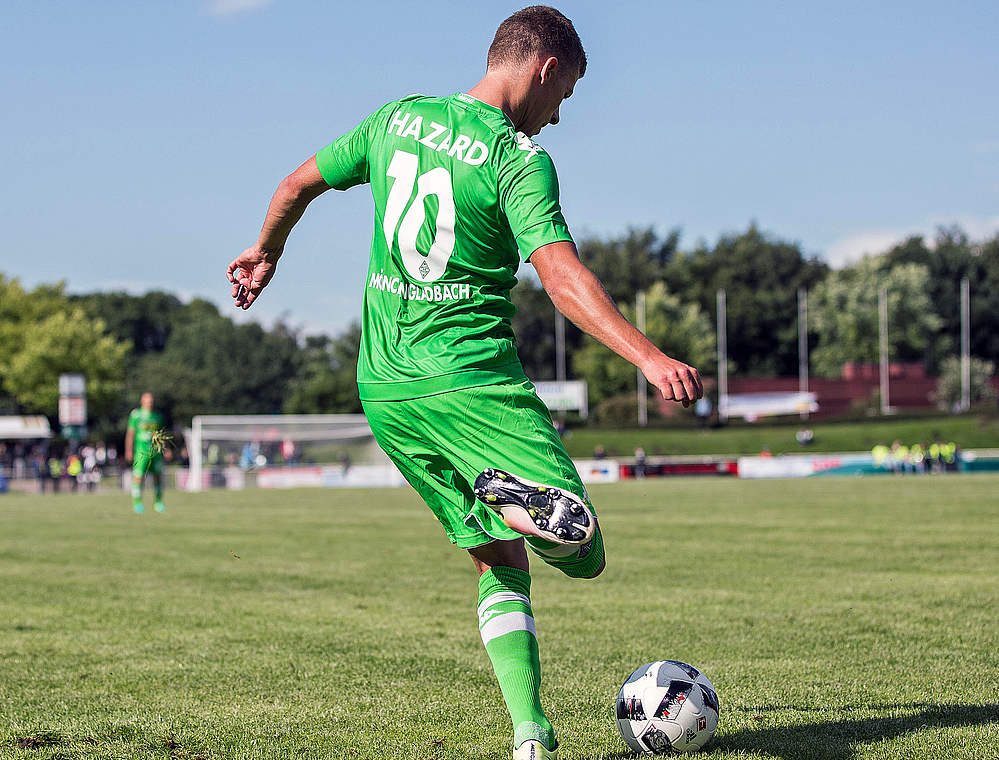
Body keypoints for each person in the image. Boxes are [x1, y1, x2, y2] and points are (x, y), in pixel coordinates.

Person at [223, 8, 703, 759]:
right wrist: (646, 356)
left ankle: (530, 733)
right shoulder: (516, 159)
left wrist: (265, 252)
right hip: (471, 384)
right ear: (546, 69)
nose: (556, 117)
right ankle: (510, 493)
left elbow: (295, 183)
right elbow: (560, 276)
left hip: (385, 388)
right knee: (583, 551)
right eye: (565, 96)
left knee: (497, 561)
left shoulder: (397, 119)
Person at [125, 392, 167, 513]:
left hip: (155, 452)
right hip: (141, 452)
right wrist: (128, 450)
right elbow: (130, 433)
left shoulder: (157, 416)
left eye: (151, 401)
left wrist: (166, 448)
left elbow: (161, 434)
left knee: (158, 477)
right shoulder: (136, 415)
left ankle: (158, 503)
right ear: (142, 402)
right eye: (147, 401)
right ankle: (137, 504)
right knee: (138, 477)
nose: (150, 403)